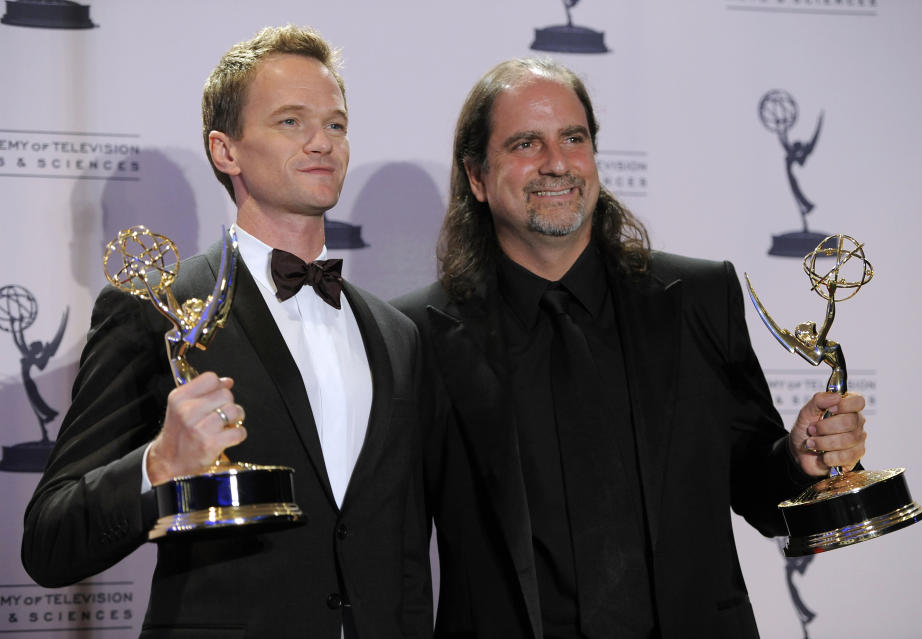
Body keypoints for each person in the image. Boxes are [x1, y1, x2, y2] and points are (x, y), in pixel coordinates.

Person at [392, 58, 866, 639]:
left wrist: (800, 462)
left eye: (574, 138)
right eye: (525, 143)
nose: (557, 163)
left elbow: (760, 492)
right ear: (477, 177)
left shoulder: (699, 298)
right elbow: (397, 551)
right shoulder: (418, 334)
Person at [22, 25, 432, 639]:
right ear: (225, 151)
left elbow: (402, 553)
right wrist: (158, 464)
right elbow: (50, 542)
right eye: (290, 122)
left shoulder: (397, 335)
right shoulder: (154, 311)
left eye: (337, 124)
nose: (322, 141)